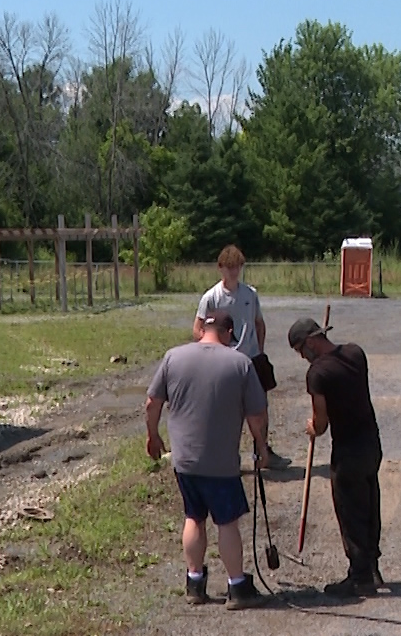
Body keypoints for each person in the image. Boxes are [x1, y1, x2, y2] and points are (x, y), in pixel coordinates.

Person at [146, 310, 272, 609]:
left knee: (194, 516)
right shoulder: (240, 363)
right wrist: (262, 447)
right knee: (226, 522)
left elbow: (152, 402)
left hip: (185, 460)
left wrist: (152, 435)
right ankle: (238, 586)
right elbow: (256, 415)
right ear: (230, 333)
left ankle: (194, 583)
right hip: (221, 463)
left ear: (202, 328)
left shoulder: (173, 357)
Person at [287, 316, 383, 599]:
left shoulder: (318, 374)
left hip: (348, 449)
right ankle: (372, 566)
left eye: (301, 350)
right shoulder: (355, 353)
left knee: (351, 510)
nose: (303, 357)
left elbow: (321, 423)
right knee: (369, 504)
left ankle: (360, 576)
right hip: (371, 443)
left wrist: (311, 427)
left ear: (312, 341)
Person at [195, 245, 293, 470]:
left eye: (237, 266)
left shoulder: (250, 294)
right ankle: (229, 457)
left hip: (251, 359)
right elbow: (197, 328)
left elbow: (259, 323)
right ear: (220, 268)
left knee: (260, 408)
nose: (233, 271)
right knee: (228, 411)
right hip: (224, 362)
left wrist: (259, 351)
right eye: (229, 267)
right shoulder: (211, 297)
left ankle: (263, 453)